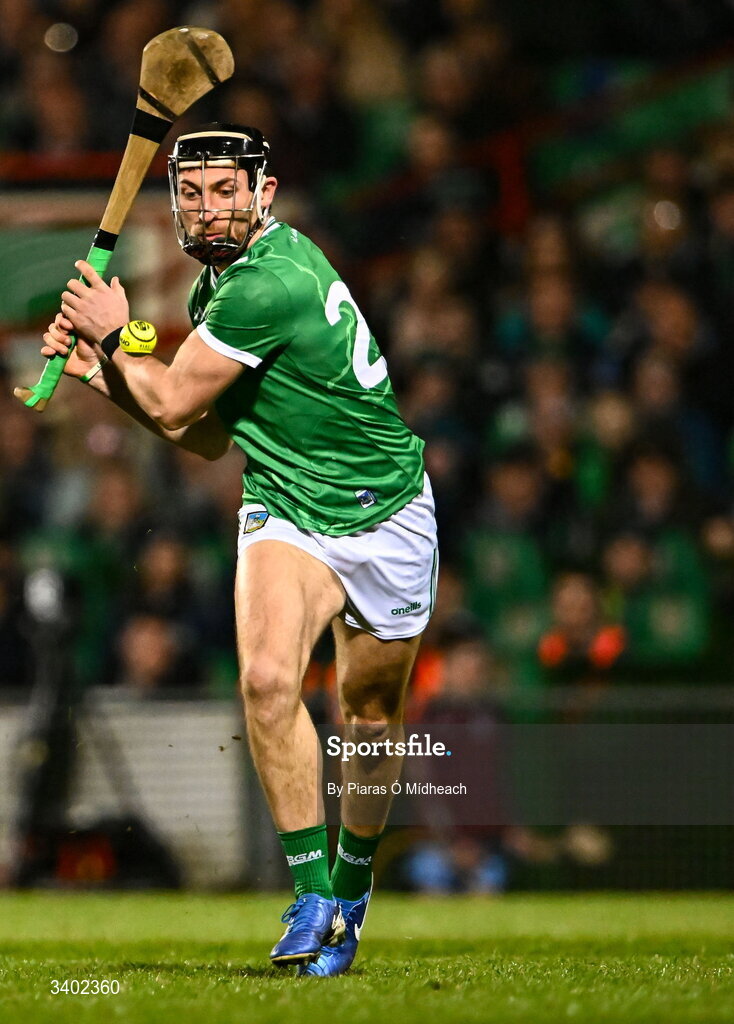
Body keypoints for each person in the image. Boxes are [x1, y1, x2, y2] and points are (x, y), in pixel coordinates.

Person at [40, 123, 438, 976]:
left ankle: (352, 888)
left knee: (367, 717)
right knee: (265, 680)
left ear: (263, 195)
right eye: (192, 192)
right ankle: (311, 895)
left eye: (226, 190)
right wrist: (102, 373)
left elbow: (180, 408)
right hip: (286, 504)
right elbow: (211, 441)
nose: (207, 206)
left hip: (385, 513)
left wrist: (112, 334)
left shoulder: (269, 283)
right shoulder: (216, 291)